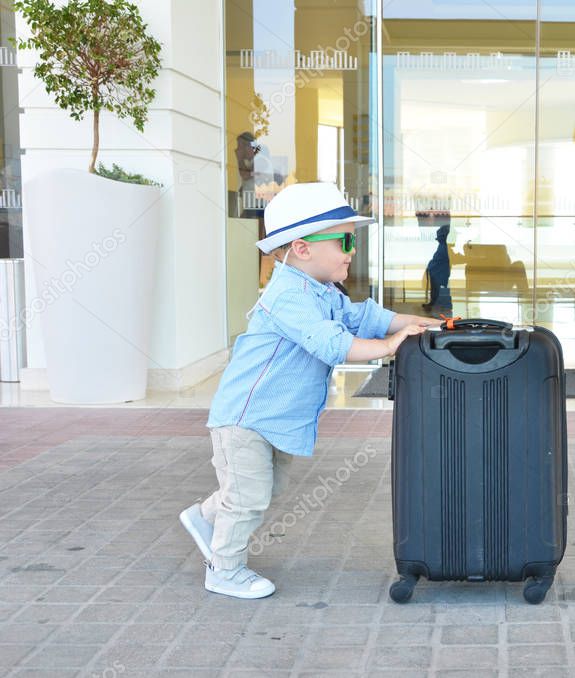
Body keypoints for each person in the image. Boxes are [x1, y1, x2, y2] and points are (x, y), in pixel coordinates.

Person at [178, 182, 441, 599]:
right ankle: (224, 569)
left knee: (264, 489)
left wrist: (421, 323)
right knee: (248, 498)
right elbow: (331, 342)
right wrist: (391, 346)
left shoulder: (321, 292)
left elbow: (361, 317)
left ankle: (206, 516)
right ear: (302, 248)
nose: (352, 248)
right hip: (246, 418)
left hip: (276, 420)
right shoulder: (287, 297)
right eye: (344, 239)